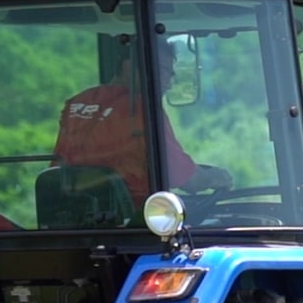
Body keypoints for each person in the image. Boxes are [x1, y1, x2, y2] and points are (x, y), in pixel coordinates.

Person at [54, 43, 230, 203]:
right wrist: (214, 178)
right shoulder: (141, 109)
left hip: (73, 218)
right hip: (134, 221)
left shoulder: (76, 104)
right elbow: (180, 175)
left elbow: (58, 168)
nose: (167, 84)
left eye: (169, 74)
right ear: (128, 66)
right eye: (161, 71)